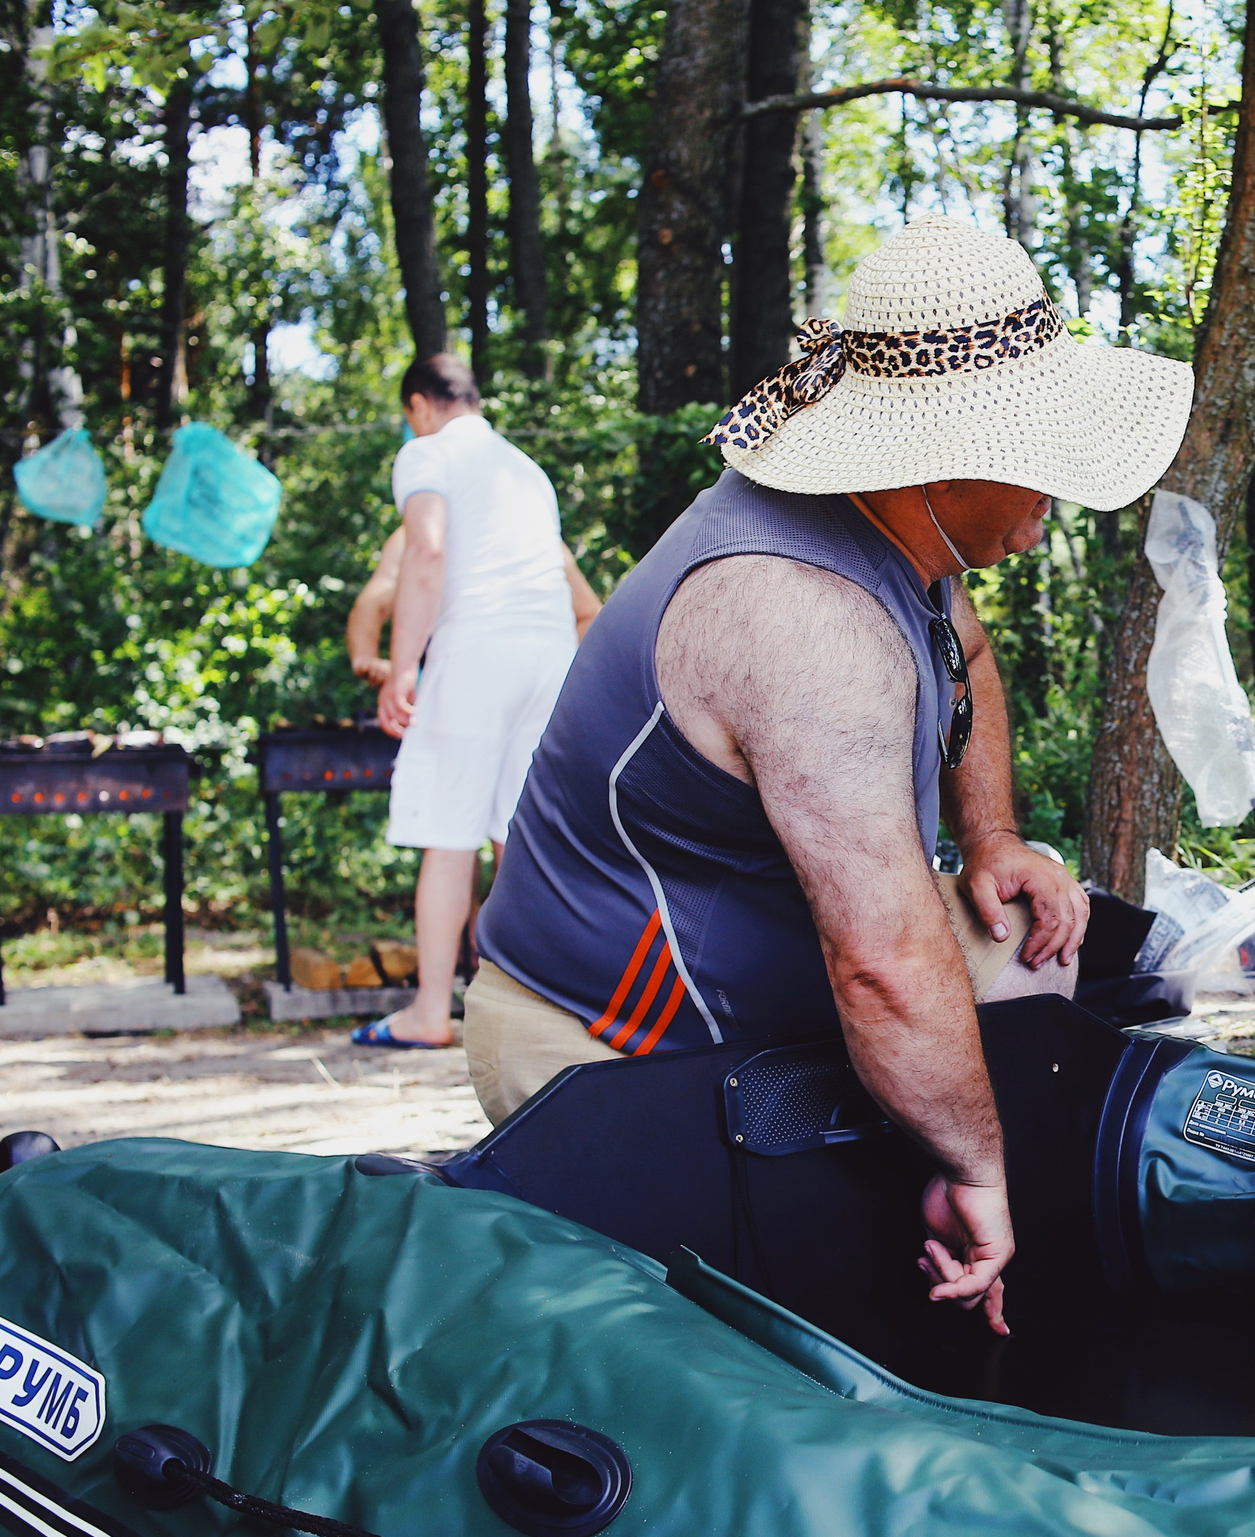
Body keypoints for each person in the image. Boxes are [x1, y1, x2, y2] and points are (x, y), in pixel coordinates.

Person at [466, 217, 1194, 1333]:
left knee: (1043, 972)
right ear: (943, 461)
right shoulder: (805, 620)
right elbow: (884, 967)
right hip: (610, 1047)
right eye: (1041, 457)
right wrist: (979, 1169)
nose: (1059, 497)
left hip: (790, 957)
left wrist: (992, 834)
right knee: (758, 1359)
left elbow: (969, 651)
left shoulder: (909, 541)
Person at [357, 355, 591, 1049]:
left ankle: (431, 1012)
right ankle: (529, 1012)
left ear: (419, 406)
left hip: (477, 648)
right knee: (516, 839)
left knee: (450, 835)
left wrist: (404, 668)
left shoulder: (426, 452)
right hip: (550, 656)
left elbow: (425, 555)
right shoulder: (526, 469)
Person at [349, 525, 601, 692]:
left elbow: (589, 616)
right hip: (456, 684)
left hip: (540, 685)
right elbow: (376, 598)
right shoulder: (424, 531)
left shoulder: (535, 532)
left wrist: (564, 675)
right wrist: (366, 658)